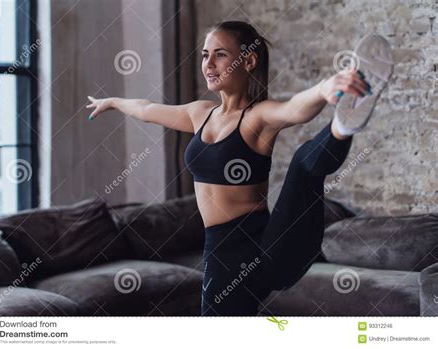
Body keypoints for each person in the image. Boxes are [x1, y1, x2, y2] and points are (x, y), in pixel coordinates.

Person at [86, 21, 393, 316]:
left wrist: (324, 89)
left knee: (302, 164)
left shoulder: (256, 116)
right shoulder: (199, 113)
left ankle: (340, 128)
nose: (209, 64)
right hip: (221, 252)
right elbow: (147, 109)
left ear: (248, 61)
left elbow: (294, 109)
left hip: (268, 247)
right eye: (205, 55)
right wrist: (112, 101)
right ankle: (340, 129)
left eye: (220, 55)